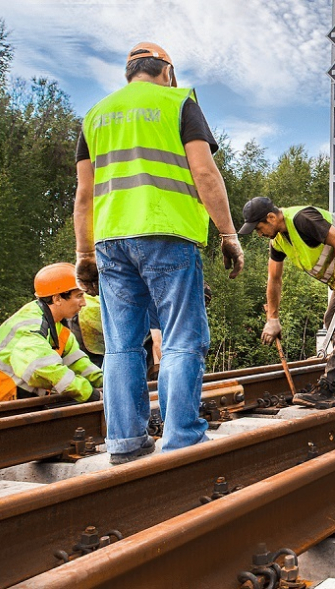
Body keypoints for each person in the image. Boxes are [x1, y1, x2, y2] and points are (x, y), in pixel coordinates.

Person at [73, 42, 244, 464]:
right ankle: (183, 438)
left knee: (121, 346)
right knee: (183, 338)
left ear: (129, 73)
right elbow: (204, 171)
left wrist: (84, 253)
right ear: (167, 70)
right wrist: (228, 235)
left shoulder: (96, 116)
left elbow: (84, 195)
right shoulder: (179, 102)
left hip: (111, 241)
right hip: (167, 233)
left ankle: (126, 444)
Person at [238, 197, 335, 409]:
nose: (259, 234)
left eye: (259, 228)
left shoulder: (302, 219)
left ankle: (332, 388)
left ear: (271, 218)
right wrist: (272, 318)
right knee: (331, 320)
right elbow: (274, 279)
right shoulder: (278, 241)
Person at [0, 263, 103, 407]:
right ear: (57, 298)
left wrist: (105, 382)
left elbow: (79, 363)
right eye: (78, 296)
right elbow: (46, 369)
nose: (84, 303)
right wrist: (91, 394)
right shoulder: (30, 328)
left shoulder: (58, 328)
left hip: (1, 409)